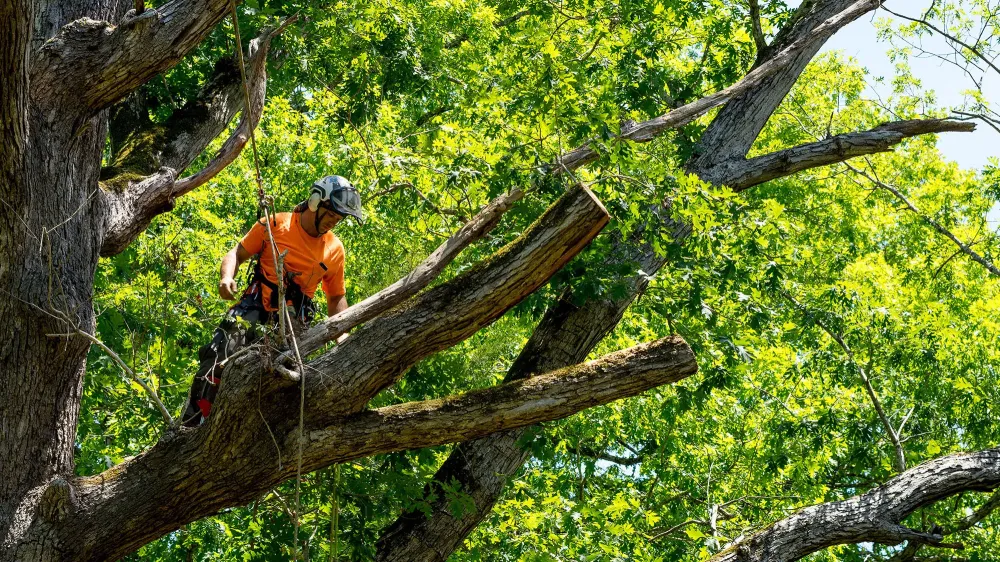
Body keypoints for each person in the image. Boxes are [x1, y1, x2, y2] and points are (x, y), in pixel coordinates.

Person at [181, 175, 363, 427]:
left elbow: (336, 297)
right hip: (255, 306)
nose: (335, 221)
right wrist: (226, 278)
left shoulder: (334, 249)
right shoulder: (276, 224)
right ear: (314, 202)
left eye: (339, 218)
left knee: (279, 383)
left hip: (293, 322)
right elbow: (237, 252)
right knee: (217, 359)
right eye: (332, 214)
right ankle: (192, 424)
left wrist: (342, 335)